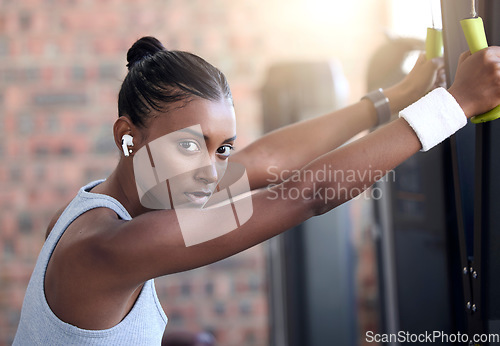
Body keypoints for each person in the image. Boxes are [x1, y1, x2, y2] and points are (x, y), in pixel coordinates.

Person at [13, 35, 500, 345]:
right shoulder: (114, 245)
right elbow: (307, 194)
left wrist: (393, 97)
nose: (210, 171)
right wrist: (455, 103)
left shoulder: (102, 203)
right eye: (189, 145)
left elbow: (266, 161)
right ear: (127, 135)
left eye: (221, 148)